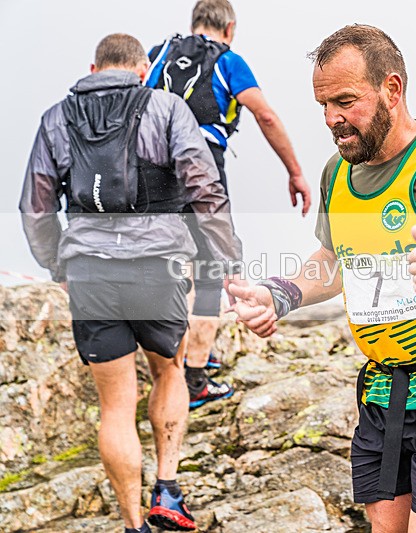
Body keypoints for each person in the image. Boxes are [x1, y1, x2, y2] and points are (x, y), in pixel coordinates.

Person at [226, 24, 416, 533]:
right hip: (383, 395)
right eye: (323, 105)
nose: (332, 119)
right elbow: (332, 262)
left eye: (345, 101)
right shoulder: (336, 174)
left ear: (392, 89)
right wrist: (278, 295)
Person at [20, 33, 242, 532]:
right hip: (158, 267)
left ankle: (132, 522)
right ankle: (168, 488)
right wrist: (228, 257)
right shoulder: (166, 108)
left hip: (90, 273)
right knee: (169, 371)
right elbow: (204, 187)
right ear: (144, 69)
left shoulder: (57, 118)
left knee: (115, 404)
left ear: (93, 67)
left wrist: (59, 264)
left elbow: (36, 207)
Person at [144, 0, 311, 409]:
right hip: (202, 169)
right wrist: (294, 171)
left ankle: (174, 362)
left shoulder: (158, 55)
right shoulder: (229, 60)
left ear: (194, 23)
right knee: (209, 269)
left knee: (166, 265)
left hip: (150, 170)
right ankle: (196, 378)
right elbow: (265, 116)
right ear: (230, 28)